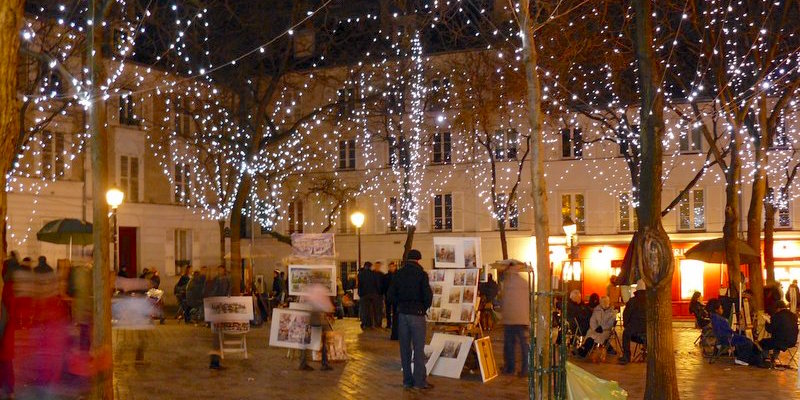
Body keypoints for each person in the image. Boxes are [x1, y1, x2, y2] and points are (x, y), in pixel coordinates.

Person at [387, 249, 433, 390]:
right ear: (418, 260)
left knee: (404, 348)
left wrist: (400, 305)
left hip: (402, 313)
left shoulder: (398, 274)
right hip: (417, 313)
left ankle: (407, 380)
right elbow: (427, 295)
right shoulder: (421, 274)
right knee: (418, 349)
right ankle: (419, 382)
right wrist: (423, 308)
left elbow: (390, 295)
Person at [495, 259, 530, 377]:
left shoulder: (508, 283)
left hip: (511, 319)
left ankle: (510, 368)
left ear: (510, 268)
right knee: (523, 345)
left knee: (510, 345)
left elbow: (505, 301)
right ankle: (525, 369)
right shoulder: (524, 282)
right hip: (522, 318)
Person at [708, 298, 764, 367]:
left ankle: (745, 358)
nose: (722, 309)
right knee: (748, 341)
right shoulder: (718, 319)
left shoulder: (715, 318)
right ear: (716, 310)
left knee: (746, 340)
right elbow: (723, 332)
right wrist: (731, 334)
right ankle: (742, 359)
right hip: (728, 338)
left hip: (728, 336)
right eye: (721, 308)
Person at [298, 284, 335, 371]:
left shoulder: (311, 288)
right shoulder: (321, 289)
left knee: (306, 339)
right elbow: (325, 305)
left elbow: (306, 301)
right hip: (319, 316)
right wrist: (330, 309)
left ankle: (303, 362)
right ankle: (324, 363)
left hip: (311, 315)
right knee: (324, 339)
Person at [1, 252, 21, 398]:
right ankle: (9, 389)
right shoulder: (14, 286)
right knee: (6, 360)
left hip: (5, 328)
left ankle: (9, 389)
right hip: (9, 328)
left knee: (5, 360)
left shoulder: (7, 288)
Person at [618, 280, 646, 365]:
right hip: (648, 329)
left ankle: (626, 356)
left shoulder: (632, 301)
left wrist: (626, 325)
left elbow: (626, 314)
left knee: (626, 334)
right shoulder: (651, 301)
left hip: (634, 328)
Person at [357, 262, 380, 329]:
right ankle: (373, 324)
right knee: (373, 310)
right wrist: (378, 292)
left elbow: (359, 285)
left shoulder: (361, 274)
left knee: (364, 310)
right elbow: (377, 284)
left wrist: (360, 293)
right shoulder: (374, 274)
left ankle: (364, 323)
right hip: (373, 294)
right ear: (370, 266)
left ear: (364, 266)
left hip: (364, 294)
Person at [382, 261, 397, 332]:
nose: (391, 268)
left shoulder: (398, 275)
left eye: (392, 266)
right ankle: (389, 324)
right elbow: (384, 286)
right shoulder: (386, 276)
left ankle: (394, 324)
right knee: (388, 311)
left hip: (396, 296)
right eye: (390, 267)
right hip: (388, 295)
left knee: (395, 311)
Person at [372, 261, 386, 327]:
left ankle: (378, 323)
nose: (378, 267)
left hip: (379, 294)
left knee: (379, 309)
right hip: (374, 294)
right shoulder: (372, 274)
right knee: (374, 309)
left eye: (379, 266)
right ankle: (375, 323)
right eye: (377, 265)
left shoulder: (382, 275)